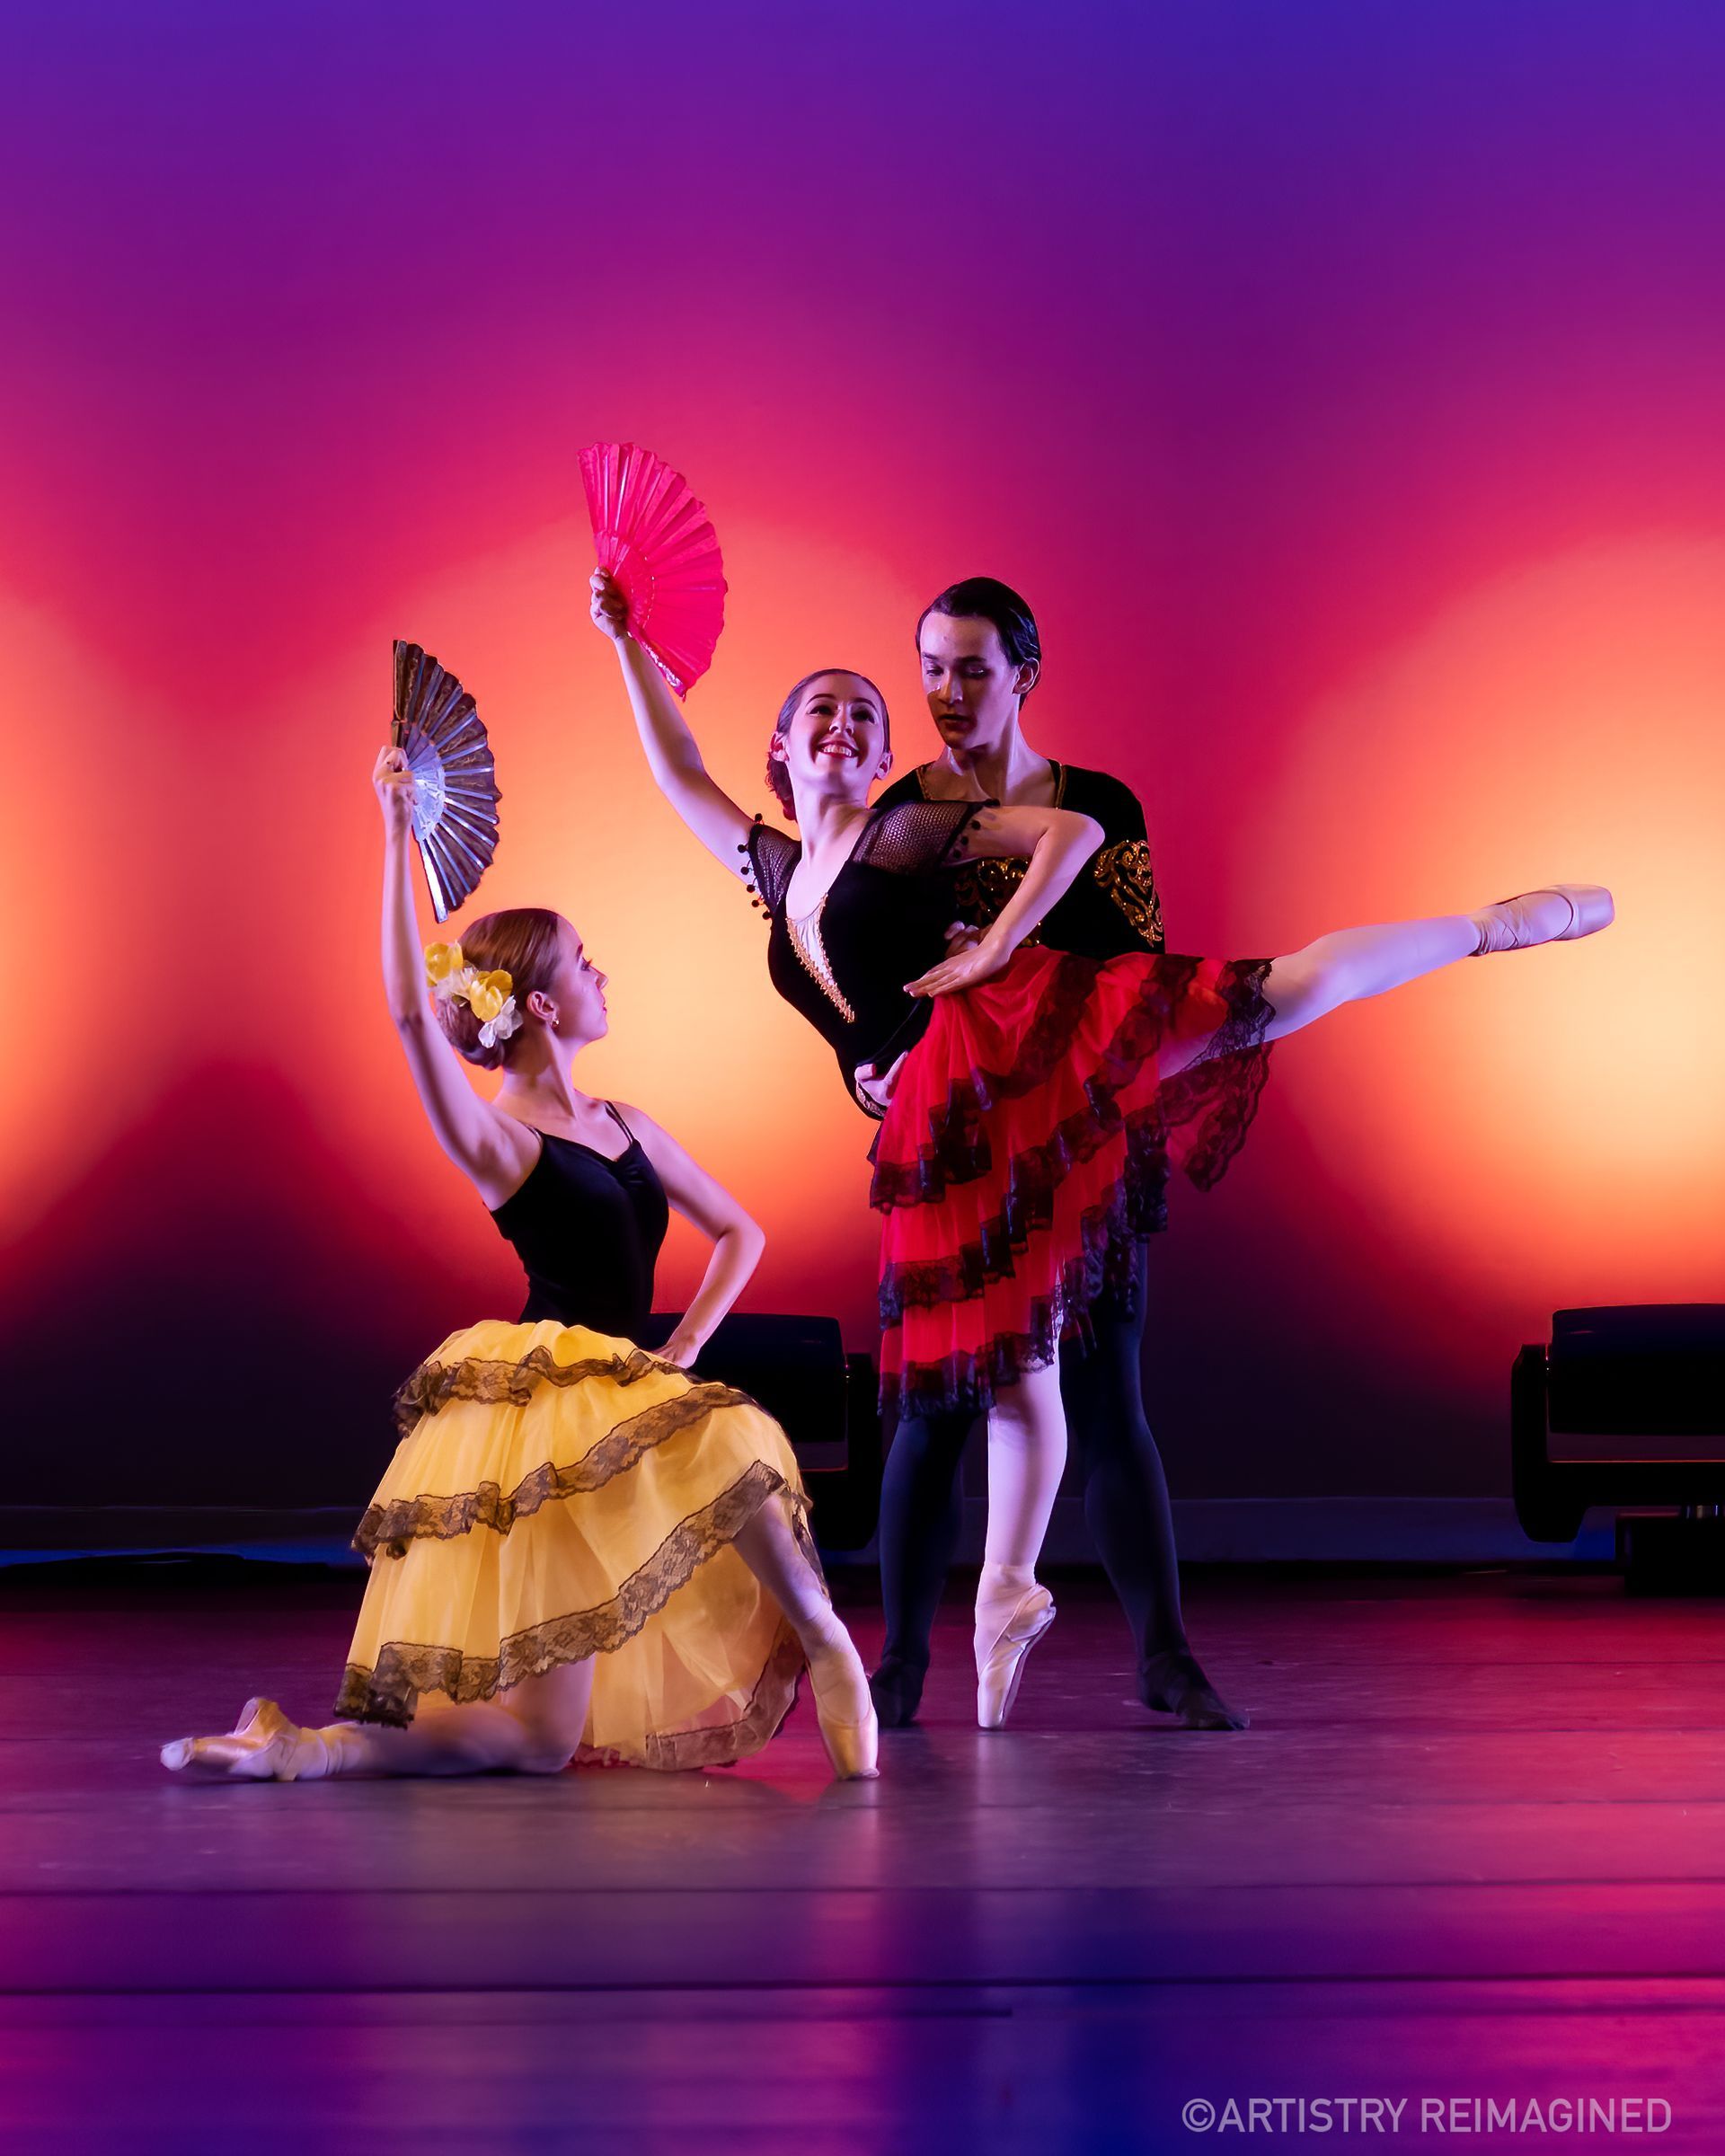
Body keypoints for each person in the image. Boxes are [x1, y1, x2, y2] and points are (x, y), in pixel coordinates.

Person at [591, 566, 1613, 1731]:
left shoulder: (916, 824)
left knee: (1270, 997)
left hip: (1044, 1045)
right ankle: (965, 1628)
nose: (883, 711)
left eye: (882, 705)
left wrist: (993, 955)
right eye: (891, 685)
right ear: (779, 746)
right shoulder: (795, 860)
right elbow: (685, 778)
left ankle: (1493, 926)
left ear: (1009, 682)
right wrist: (630, 644)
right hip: (945, 1123)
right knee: (961, 1391)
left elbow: (1083, 860)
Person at [160, 744, 880, 1783]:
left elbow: (741, 1232)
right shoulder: (501, 1142)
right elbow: (410, 1015)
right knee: (544, 1740)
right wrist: (394, 836)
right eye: (584, 963)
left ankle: (827, 1640)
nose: (601, 974)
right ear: (541, 1004)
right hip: (547, 1412)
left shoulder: (626, 1124)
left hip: (630, 1390)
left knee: (722, 1432)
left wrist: (683, 1345)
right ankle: (307, 1748)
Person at [864, 575, 1234, 1729]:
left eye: (972, 668)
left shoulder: (1098, 805)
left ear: (1024, 674)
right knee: (936, 1407)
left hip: (1079, 1144)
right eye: (932, 667)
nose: (947, 690)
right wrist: (868, 1065)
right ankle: (900, 1668)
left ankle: (1166, 1657)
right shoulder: (904, 815)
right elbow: (873, 980)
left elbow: (1143, 976)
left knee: (1109, 1391)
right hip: (962, 1146)